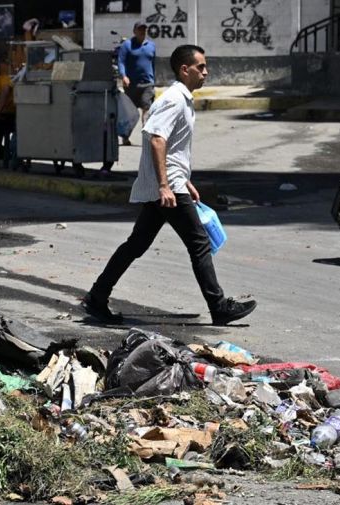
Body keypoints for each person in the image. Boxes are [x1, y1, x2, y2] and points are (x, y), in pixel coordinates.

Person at [82, 45, 256, 326]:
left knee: (136, 244)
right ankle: (219, 305)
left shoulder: (182, 99)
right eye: (201, 67)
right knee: (199, 244)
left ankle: (98, 296)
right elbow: (156, 139)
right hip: (167, 187)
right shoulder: (174, 99)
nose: (206, 72)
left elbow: (171, 146)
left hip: (172, 183)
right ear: (184, 70)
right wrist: (166, 185)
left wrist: (185, 180)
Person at [118, 21, 156, 146]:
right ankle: (125, 136)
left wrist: (153, 80)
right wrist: (124, 76)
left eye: (144, 29)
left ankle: (146, 137)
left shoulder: (151, 45)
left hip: (147, 84)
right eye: (140, 29)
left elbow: (153, 63)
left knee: (147, 109)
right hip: (131, 85)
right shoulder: (127, 45)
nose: (142, 32)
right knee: (130, 113)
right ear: (134, 31)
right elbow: (121, 62)